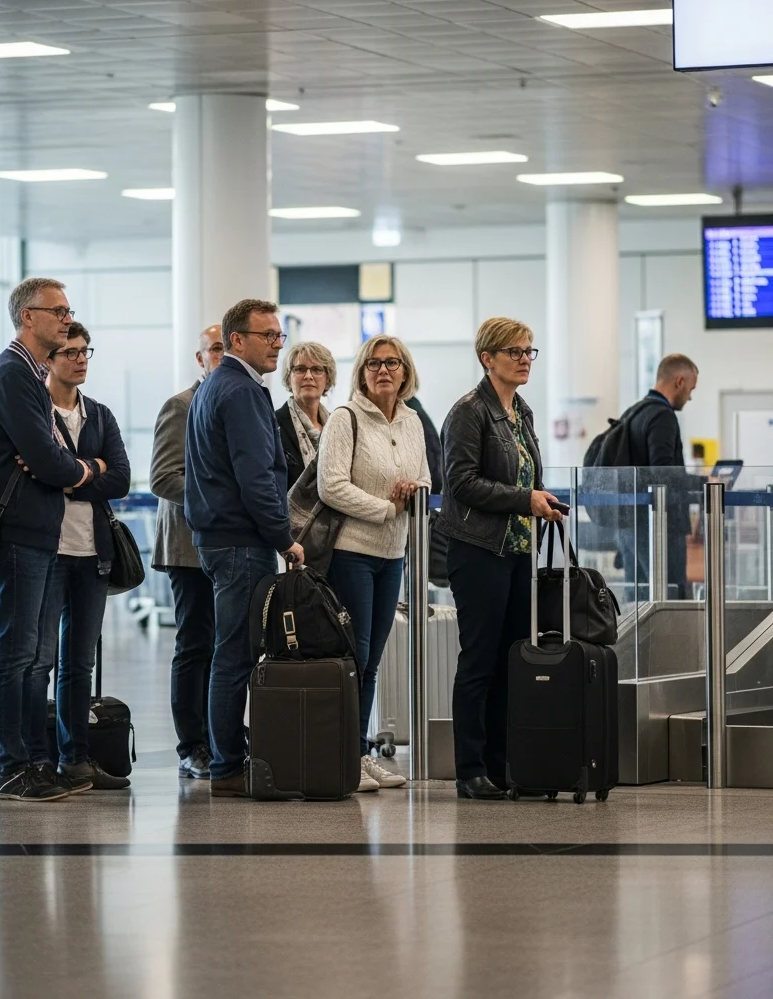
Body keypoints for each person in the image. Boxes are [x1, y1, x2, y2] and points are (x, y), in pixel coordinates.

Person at [0, 277, 94, 802]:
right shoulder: (12, 374)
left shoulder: (31, 374)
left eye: (67, 310)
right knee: (16, 652)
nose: (67, 319)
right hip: (19, 529)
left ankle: (34, 760)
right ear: (28, 317)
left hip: (40, 530)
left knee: (36, 656)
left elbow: (48, 454)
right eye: (58, 311)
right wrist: (85, 469)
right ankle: (10, 767)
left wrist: (62, 462)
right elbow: (46, 459)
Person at [184, 298, 305, 798]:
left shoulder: (218, 386)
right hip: (240, 541)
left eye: (279, 336)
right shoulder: (240, 391)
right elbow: (256, 478)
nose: (277, 344)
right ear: (237, 340)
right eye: (267, 336)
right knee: (235, 656)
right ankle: (228, 766)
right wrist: (285, 538)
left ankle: (227, 759)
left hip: (222, 538)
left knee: (229, 653)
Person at [438, 317, 562, 801]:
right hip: (479, 550)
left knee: (512, 659)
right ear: (487, 358)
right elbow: (461, 482)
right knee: (479, 661)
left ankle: (502, 765)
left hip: (518, 551)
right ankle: (470, 769)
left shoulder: (521, 411)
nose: (525, 359)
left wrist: (540, 500)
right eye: (514, 352)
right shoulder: (469, 412)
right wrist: (524, 499)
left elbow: (525, 476)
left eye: (530, 351)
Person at [317, 334, 431, 793]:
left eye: (392, 363)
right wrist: (387, 507)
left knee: (373, 660)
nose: (383, 370)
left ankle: (359, 753)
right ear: (362, 373)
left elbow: (425, 478)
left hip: (393, 554)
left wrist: (414, 490)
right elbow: (331, 486)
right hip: (352, 552)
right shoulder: (345, 418)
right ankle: (345, 755)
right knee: (354, 656)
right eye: (374, 363)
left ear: (405, 372)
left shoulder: (413, 421)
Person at [26, 320, 132, 793]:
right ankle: (37, 759)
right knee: (39, 662)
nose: (80, 359)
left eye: (85, 351)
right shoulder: (36, 412)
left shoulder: (100, 416)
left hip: (93, 553)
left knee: (78, 664)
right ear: (49, 359)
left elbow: (121, 479)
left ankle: (75, 759)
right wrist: (92, 470)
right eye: (70, 352)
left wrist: (71, 478)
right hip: (48, 551)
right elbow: (39, 475)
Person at [150, 324, 224, 780]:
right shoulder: (180, 406)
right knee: (196, 644)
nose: (221, 356)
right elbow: (164, 478)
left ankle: (221, 736)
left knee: (226, 647)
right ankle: (192, 744)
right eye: (214, 349)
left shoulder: (239, 404)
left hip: (230, 546)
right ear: (200, 358)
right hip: (189, 547)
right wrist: (222, 502)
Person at [618, 353, 700, 600]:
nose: (690, 397)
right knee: (670, 599)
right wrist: (706, 483)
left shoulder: (633, 412)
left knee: (639, 600)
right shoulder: (663, 416)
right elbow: (664, 473)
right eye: (691, 389)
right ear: (679, 381)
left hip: (632, 526)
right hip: (660, 527)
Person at [275, 341, 337, 489]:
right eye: (300, 369)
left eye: (317, 369)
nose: (308, 376)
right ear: (289, 377)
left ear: (328, 379)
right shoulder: (273, 423)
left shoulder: (337, 425)